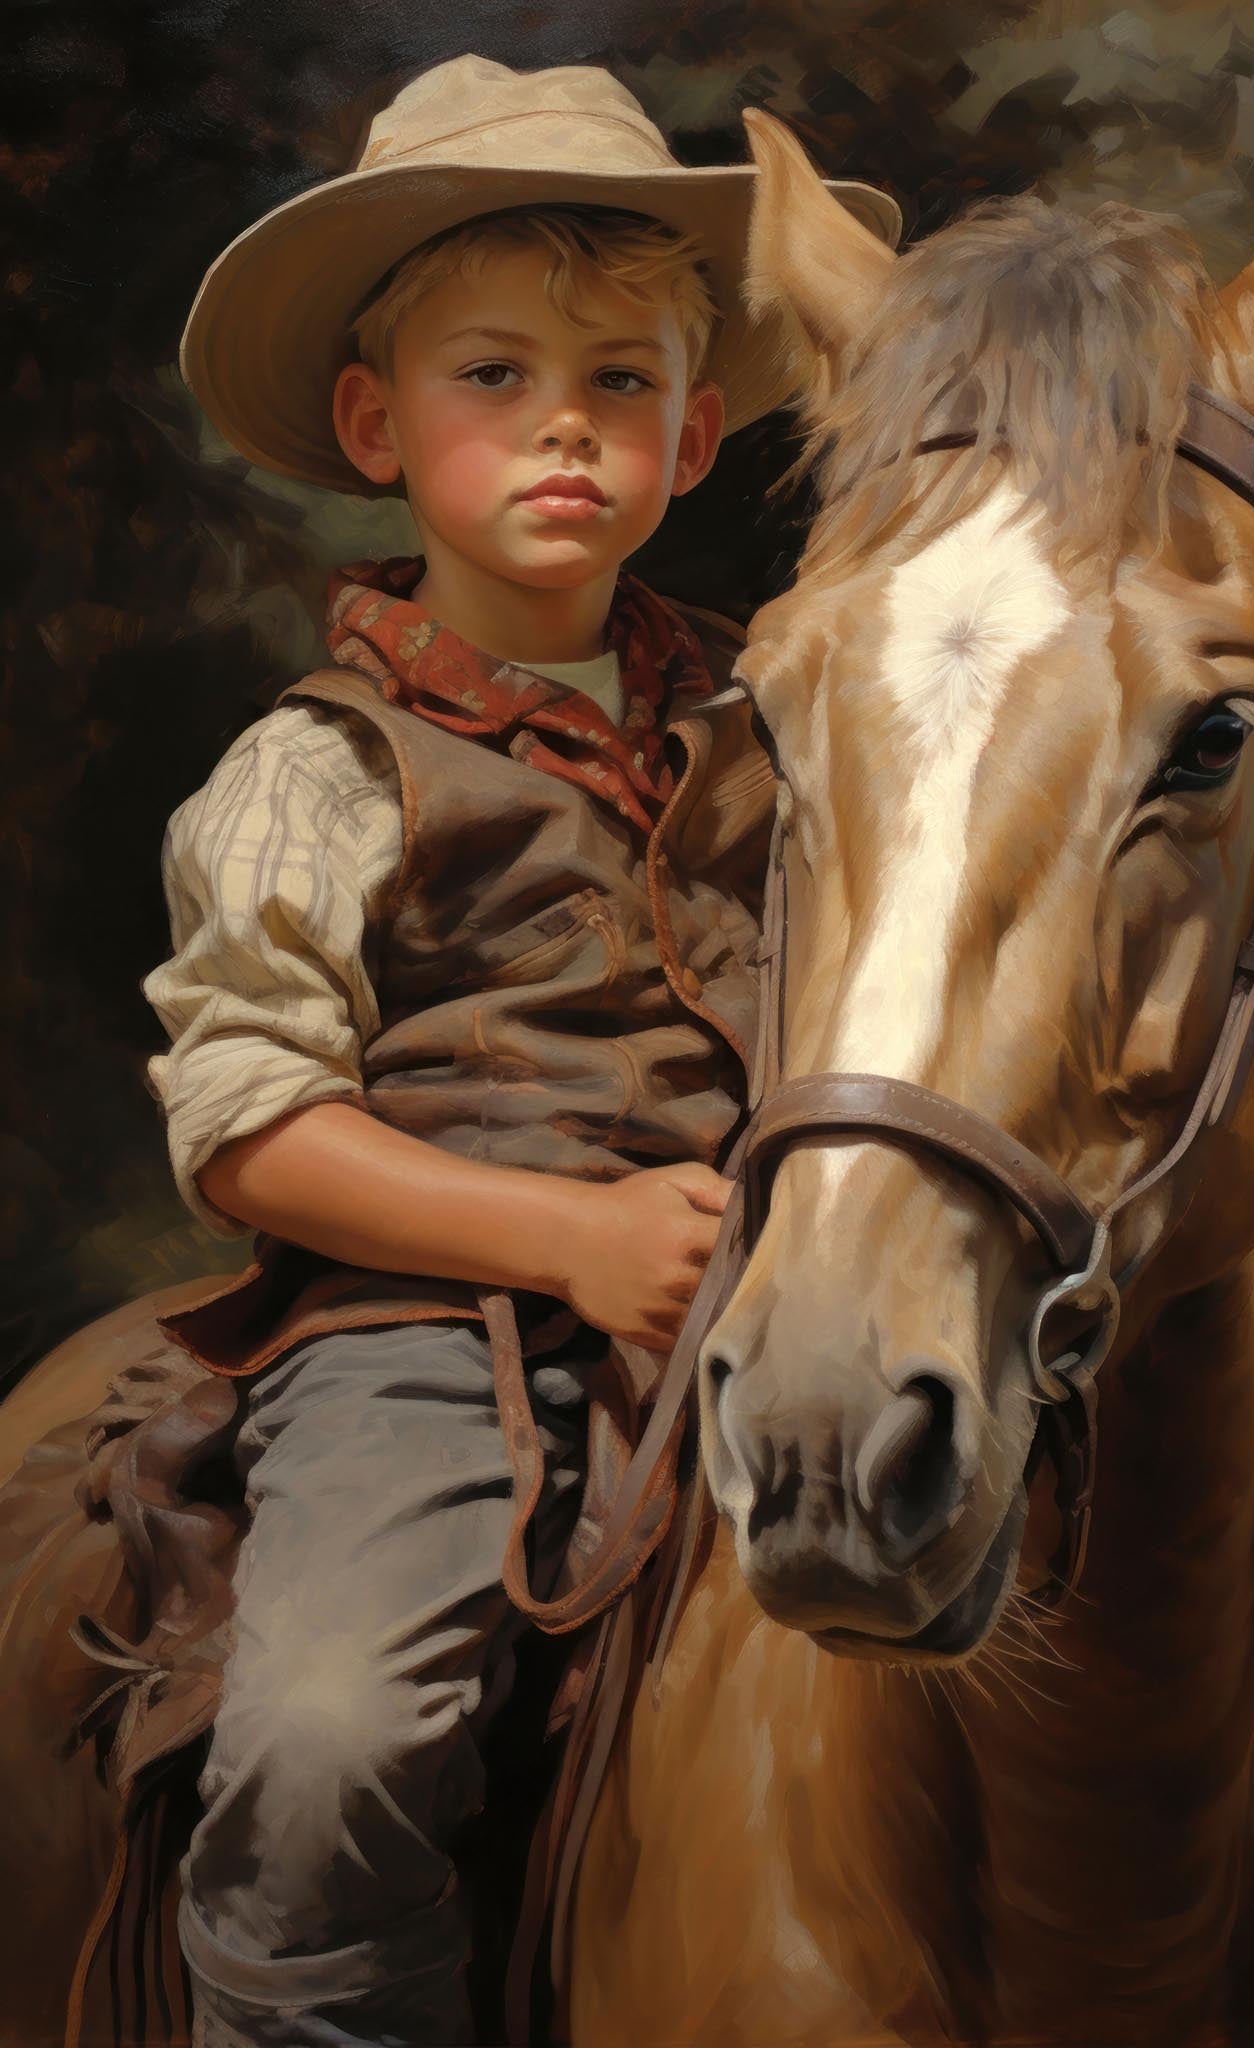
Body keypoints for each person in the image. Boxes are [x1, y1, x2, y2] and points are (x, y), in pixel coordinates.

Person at [140, 53, 900, 2048]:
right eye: (496, 377)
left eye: (622, 381)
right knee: (326, 1736)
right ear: (378, 427)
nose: (567, 422)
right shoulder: (319, 767)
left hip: (763, 1303)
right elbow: (248, 1125)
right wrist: (562, 1247)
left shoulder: (776, 708)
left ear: (699, 427)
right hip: (417, 1334)